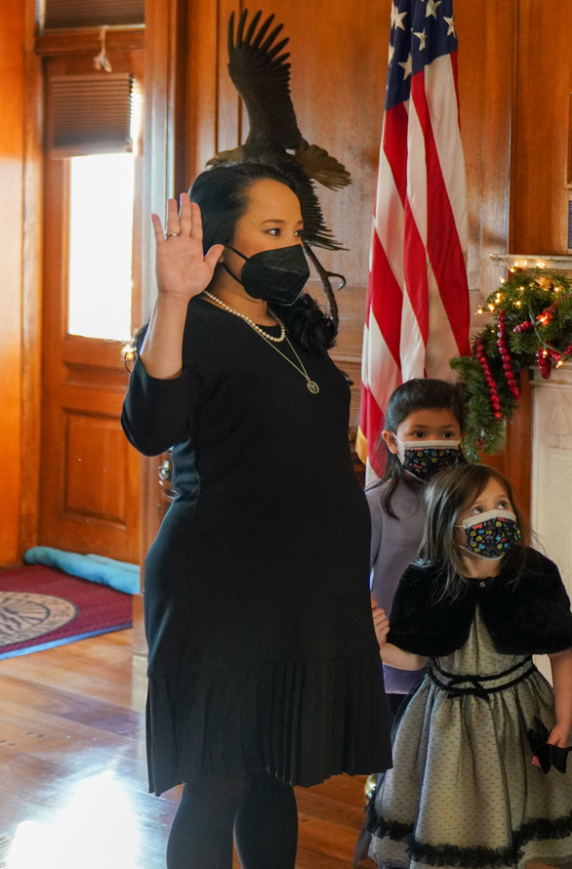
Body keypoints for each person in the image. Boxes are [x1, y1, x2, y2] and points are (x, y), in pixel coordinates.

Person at [120, 163, 391, 869]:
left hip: (303, 587)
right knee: (221, 779)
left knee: (276, 766)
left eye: (295, 232)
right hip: (222, 587)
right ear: (217, 240)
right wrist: (173, 298)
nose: (290, 249)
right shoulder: (191, 324)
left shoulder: (295, 329)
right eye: (270, 231)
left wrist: (343, 585)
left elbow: (317, 465)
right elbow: (152, 425)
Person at [366, 464, 572, 869]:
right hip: (443, 721)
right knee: (447, 817)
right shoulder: (425, 578)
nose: (494, 516)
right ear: (449, 523)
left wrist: (564, 720)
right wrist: (377, 647)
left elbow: (560, 653)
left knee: (518, 812)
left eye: (501, 504)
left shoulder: (533, 574)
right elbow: (415, 657)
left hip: (517, 715)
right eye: (477, 509)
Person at [353, 378, 469, 866]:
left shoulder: (475, 498)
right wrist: (375, 637)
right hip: (397, 669)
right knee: (398, 776)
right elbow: (353, 582)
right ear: (391, 440)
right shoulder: (379, 504)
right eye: (419, 433)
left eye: (446, 433)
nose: (433, 444)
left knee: (444, 775)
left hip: (458, 661)